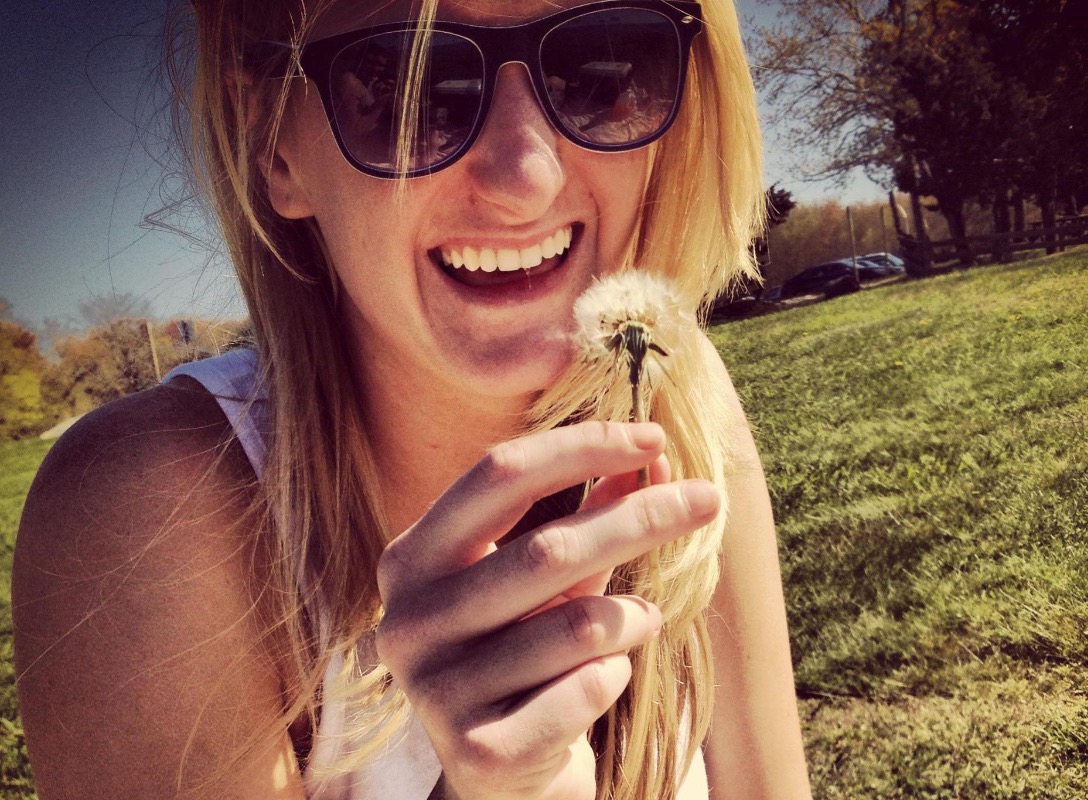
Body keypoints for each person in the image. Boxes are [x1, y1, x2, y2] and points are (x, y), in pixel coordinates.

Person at [13, 0, 812, 797]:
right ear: (274, 143)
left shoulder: (683, 398)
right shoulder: (147, 510)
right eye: (411, 90)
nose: (526, 179)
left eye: (601, 70)